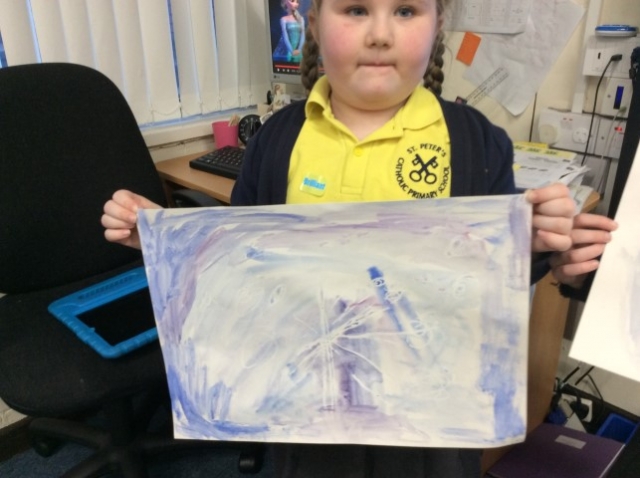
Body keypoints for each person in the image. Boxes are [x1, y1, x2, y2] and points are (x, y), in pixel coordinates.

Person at [102, 0, 608, 475]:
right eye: (357, 9)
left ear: (437, 23)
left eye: (405, 10)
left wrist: (549, 251)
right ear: (315, 23)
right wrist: (166, 241)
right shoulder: (277, 140)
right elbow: (243, 268)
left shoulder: (475, 142)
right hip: (305, 414)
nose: (381, 34)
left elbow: (493, 278)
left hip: (429, 424)